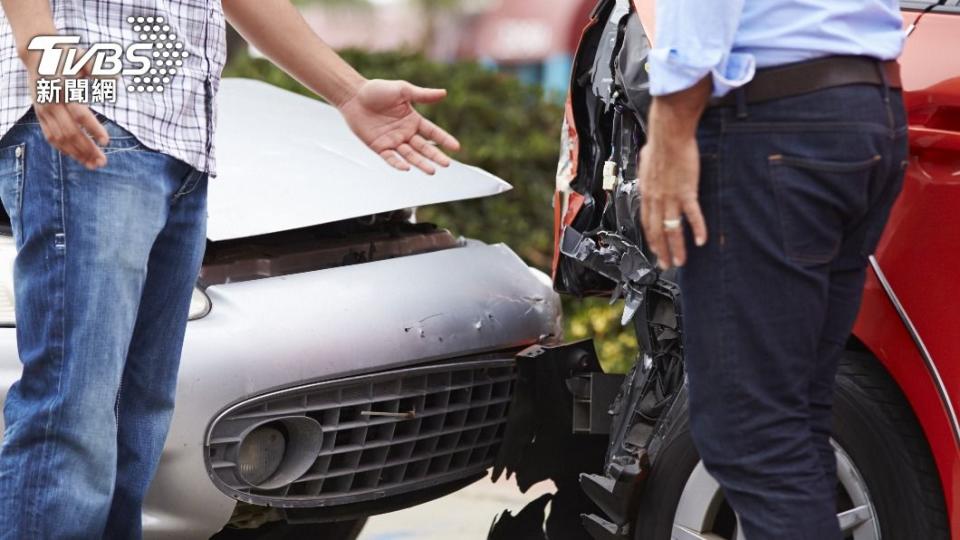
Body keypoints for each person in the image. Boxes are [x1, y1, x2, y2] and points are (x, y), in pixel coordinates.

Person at [0, 0, 459, 537]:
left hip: (180, 142)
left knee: (138, 417)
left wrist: (349, 92)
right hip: (93, 115)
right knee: (72, 413)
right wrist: (46, 62)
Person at [637, 1, 906, 538]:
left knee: (752, 435)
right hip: (866, 107)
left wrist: (669, 120)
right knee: (793, 421)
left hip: (774, 121)